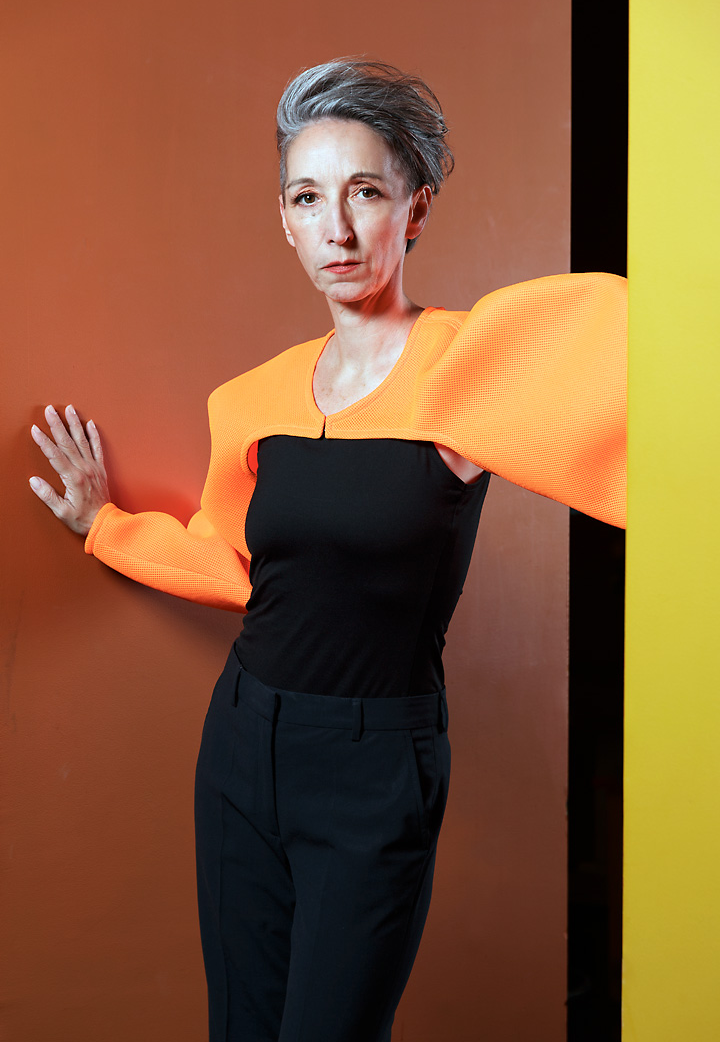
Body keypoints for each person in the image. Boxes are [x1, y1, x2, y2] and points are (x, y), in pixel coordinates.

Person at [29, 58, 626, 1042]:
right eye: (309, 198)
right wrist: (104, 526)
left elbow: (632, 383)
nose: (337, 229)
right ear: (285, 218)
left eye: (366, 193)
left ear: (415, 210)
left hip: (375, 763)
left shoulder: (466, 371)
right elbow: (231, 564)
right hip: (241, 744)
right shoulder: (249, 399)